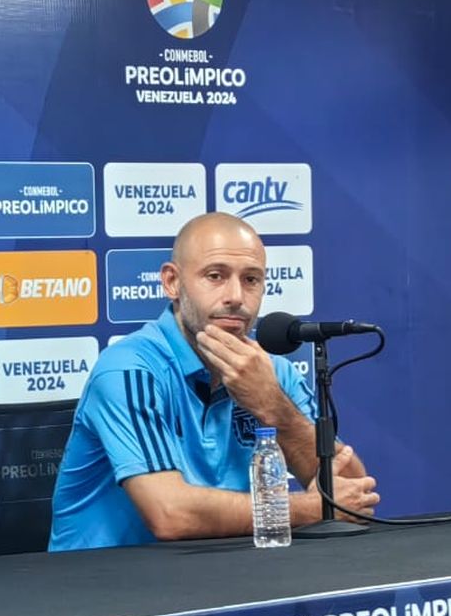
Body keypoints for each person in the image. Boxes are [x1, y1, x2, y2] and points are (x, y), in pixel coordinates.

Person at [49, 212, 379, 551]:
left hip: (224, 575)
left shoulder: (272, 373)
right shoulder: (129, 370)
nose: (236, 296)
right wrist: (308, 509)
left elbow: (355, 495)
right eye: (215, 276)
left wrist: (275, 409)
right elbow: (170, 514)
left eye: (251, 280)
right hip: (108, 589)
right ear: (171, 282)